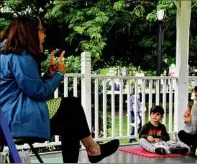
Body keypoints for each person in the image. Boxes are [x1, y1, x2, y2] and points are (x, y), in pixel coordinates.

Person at [0, 16, 119, 163]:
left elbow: (28, 87)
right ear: (29, 33)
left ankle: (93, 150)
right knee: (71, 107)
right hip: (15, 117)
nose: (44, 35)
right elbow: (38, 93)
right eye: (42, 30)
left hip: (8, 114)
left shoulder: (7, 52)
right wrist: (58, 75)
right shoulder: (20, 55)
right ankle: (93, 150)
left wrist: (48, 75)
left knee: (70, 118)